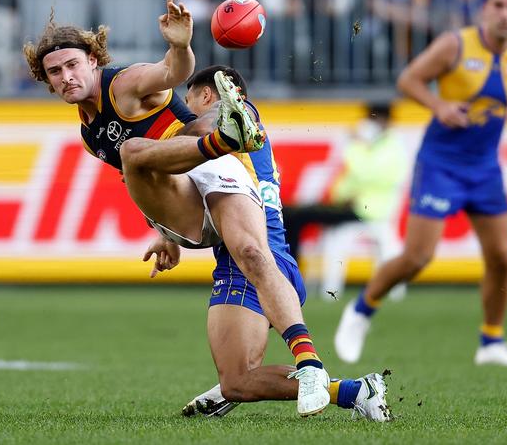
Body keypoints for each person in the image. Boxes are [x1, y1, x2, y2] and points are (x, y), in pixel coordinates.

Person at [23, 0, 330, 417]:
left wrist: (181, 46)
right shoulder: (89, 134)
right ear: (47, 80)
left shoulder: (124, 83)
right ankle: (223, 136)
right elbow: (140, 177)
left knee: (253, 253)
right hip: (185, 185)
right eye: (55, 72)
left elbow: (170, 72)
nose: (66, 77)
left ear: (93, 60)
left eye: (72, 65)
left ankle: (309, 364)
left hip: (213, 166)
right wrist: (165, 233)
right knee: (133, 153)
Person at [145, 65, 390, 422]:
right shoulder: (244, 135)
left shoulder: (231, 118)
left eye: (190, 99)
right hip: (277, 261)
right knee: (240, 370)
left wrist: (148, 150)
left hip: (247, 264)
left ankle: (354, 391)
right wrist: (166, 234)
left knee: (237, 381)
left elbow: (190, 147)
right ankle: (249, 381)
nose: (187, 108)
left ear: (209, 96)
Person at [335, 0, 507, 367]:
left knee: (500, 257)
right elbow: (408, 78)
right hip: (440, 165)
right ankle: (360, 311)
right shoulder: (455, 44)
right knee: (417, 257)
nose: (505, 14)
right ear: (485, 8)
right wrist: (440, 106)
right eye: (498, 4)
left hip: (484, 169)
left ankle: (491, 342)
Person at [320, 104, 408, 301]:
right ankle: (330, 293)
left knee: (389, 252)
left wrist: (355, 147)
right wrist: (341, 196)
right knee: (336, 247)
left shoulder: (393, 146)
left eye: (374, 119)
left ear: (385, 121)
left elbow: (366, 174)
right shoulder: (369, 145)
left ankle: (395, 294)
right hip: (354, 211)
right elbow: (346, 181)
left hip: (379, 213)